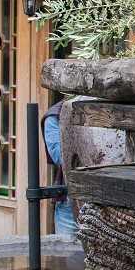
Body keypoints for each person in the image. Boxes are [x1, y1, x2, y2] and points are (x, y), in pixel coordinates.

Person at [42, 101, 75, 237]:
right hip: (69, 198)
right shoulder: (55, 115)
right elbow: (59, 156)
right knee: (68, 253)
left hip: (103, 198)